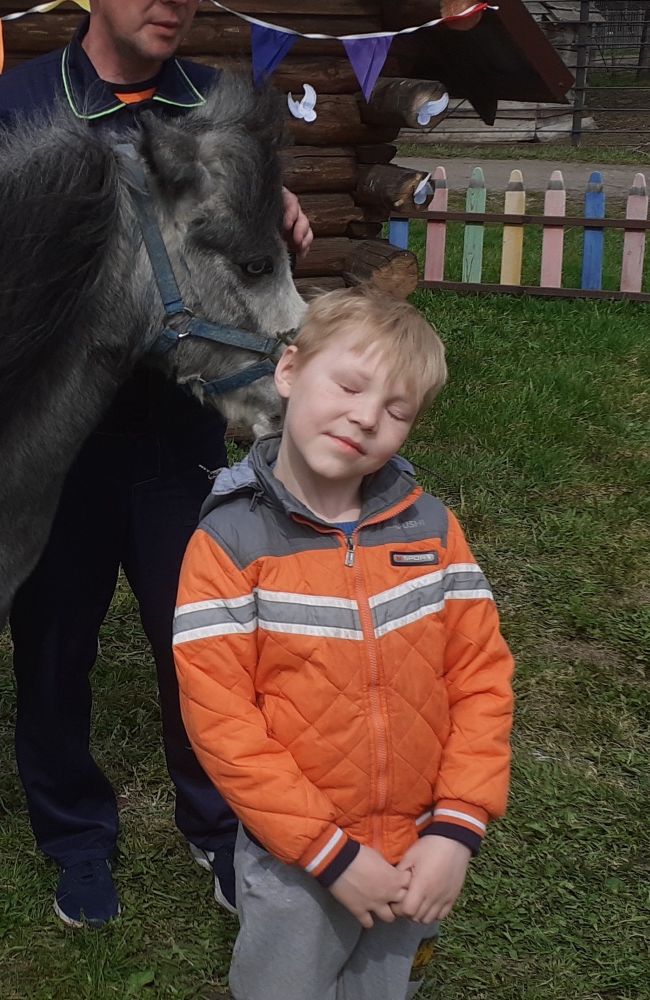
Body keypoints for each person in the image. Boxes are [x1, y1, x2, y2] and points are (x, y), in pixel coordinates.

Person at [0, 0, 312, 929]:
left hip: (182, 438)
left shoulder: (219, 107)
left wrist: (274, 218)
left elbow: (250, 251)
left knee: (198, 642)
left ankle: (217, 826)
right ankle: (75, 837)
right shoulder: (13, 112)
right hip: (52, 453)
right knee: (53, 649)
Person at [173, 287, 515, 1000]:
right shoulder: (227, 543)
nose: (366, 418)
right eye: (350, 385)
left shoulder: (432, 532)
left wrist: (456, 828)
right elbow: (221, 723)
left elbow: (482, 679)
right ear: (291, 371)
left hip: (419, 853)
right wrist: (327, 852)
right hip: (296, 862)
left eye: (397, 411)